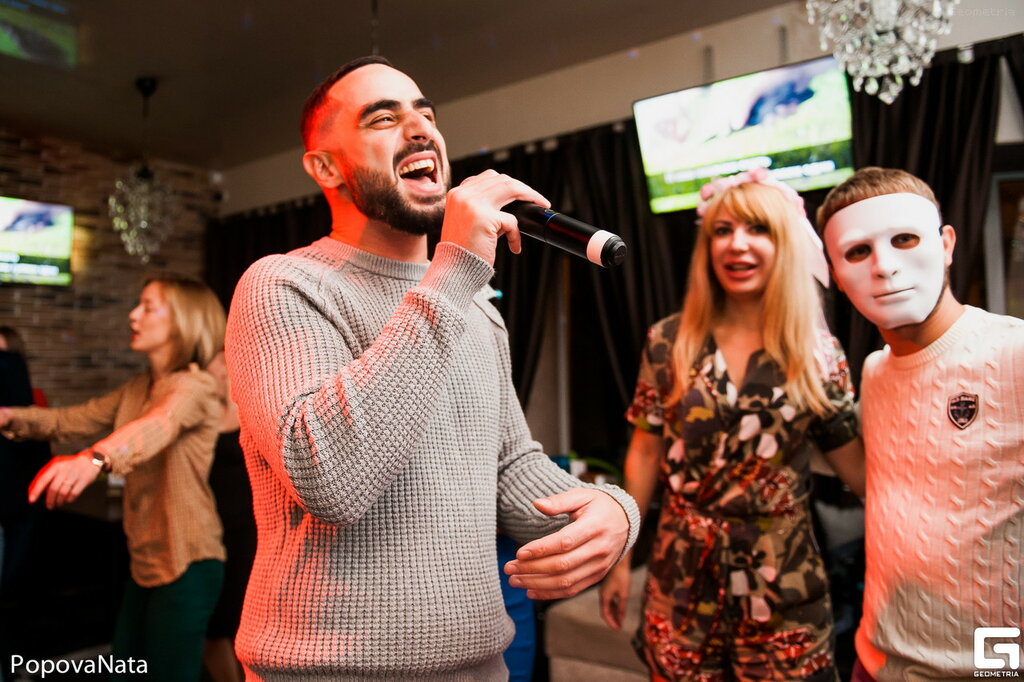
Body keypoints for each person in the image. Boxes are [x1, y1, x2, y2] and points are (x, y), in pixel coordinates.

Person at [224, 55, 640, 681]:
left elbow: (508, 468)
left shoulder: (477, 309)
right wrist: (452, 275)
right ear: (325, 166)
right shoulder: (284, 285)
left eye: (426, 112)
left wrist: (611, 511)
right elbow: (330, 477)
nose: (419, 128)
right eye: (383, 118)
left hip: (481, 668)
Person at [599, 168, 864, 681]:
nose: (736, 244)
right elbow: (645, 454)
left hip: (781, 583)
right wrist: (618, 560)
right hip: (680, 577)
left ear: (784, 243)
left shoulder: (817, 353)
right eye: (722, 230)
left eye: (756, 229)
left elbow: (863, 475)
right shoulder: (668, 341)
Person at [818, 167, 1024, 681]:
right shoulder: (873, 371)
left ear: (946, 243)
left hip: (987, 669)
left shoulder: (1015, 353)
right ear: (836, 274)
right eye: (857, 251)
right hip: (878, 655)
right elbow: (885, 490)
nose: (884, 267)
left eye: (904, 239)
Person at [0, 273, 227, 681]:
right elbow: (68, 420)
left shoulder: (196, 386)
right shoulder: (138, 388)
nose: (133, 314)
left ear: (183, 321)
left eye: (148, 306)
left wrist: (93, 459)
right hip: (145, 560)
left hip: (188, 562)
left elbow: (158, 425)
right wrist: (10, 417)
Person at [203, 351, 255, 682]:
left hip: (247, 529)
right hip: (209, 527)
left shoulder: (249, 408)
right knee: (213, 625)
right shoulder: (202, 413)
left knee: (240, 622)